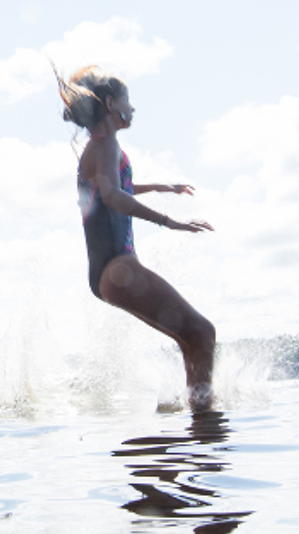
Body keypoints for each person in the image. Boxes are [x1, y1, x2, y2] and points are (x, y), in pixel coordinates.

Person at [59, 66, 217, 410]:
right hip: (119, 266)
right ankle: (205, 426)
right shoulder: (105, 143)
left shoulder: (98, 147)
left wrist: (161, 186)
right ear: (112, 103)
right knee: (202, 333)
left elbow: (111, 187)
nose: (133, 109)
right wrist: (169, 221)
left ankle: (196, 417)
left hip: (108, 271)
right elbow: (114, 196)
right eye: (129, 101)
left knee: (191, 339)